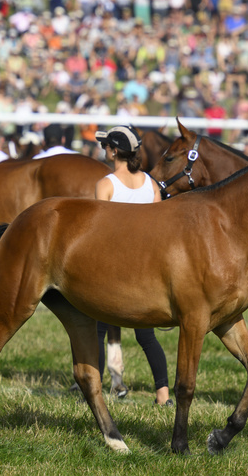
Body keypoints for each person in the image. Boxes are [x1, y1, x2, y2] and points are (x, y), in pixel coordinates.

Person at [92, 125, 171, 406]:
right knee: (146, 338)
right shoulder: (151, 184)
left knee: (98, 331)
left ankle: (96, 391)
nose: (104, 151)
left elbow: (98, 233)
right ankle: (163, 395)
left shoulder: (106, 184)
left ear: (114, 150)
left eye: (106, 147)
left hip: (113, 270)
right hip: (146, 271)